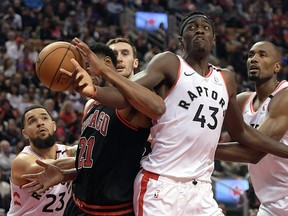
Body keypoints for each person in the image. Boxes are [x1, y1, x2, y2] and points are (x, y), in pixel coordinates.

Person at [23, 13, 288, 215]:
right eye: (191, 27)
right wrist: (94, 89)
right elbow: (126, 96)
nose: (199, 30)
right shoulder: (170, 63)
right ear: (180, 39)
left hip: (201, 187)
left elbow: (243, 133)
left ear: (214, 40)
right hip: (162, 184)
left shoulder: (225, 79)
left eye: (206, 28)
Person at [23, 42, 165, 216]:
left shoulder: (131, 103)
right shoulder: (91, 105)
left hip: (112, 210)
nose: (83, 71)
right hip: (77, 204)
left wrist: (106, 74)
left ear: (104, 63)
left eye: (87, 65)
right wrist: (64, 174)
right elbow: (96, 162)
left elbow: (158, 107)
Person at [216, 41, 288, 215]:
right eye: (250, 55)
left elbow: (253, 153)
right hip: (270, 203)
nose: (254, 59)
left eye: (262, 55)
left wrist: (202, 148)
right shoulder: (243, 101)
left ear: (276, 67)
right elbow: (202, 123)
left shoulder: (284, 96)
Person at [7, 105, 76, 216]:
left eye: (44, 118)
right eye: (32, 121)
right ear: (25, 134)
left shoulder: (67, 152)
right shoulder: (21, 161)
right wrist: (88, 159)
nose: (40, 123)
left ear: (53, 126)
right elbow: (51, 167)